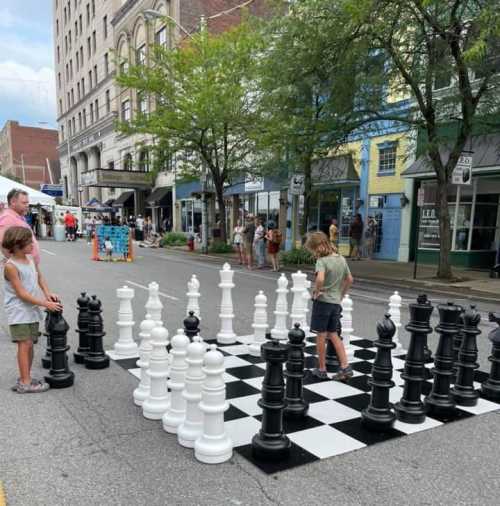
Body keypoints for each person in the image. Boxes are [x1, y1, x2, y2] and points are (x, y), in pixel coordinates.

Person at [2, 226, 63, 393]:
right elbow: (21, 294)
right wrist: (46, 304)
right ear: (17, 245)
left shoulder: (30, 260)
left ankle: (25, 376)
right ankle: (25, 382)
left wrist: (48, 293)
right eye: (29, 242)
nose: (33, 245)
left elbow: (39, 277)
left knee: (30, 344)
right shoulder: (11, 266)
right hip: (19, 311)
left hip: (31, 309)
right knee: (24, 344)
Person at [305, 231, 354, 381]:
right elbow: (350, 279)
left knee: (320, 335)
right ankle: (345, 366)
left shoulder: (322, 261)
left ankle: (321, 369)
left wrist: (317, 291)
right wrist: (340, 295)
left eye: (313, 249)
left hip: (323, 302)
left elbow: (320, 279)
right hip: (335, 303)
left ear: (318, 246)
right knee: (333, 334)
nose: (313, 252)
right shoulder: (341, 258)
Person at [0, 189, 41, 265]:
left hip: (27, 267)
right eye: (24, 203)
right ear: (13, 202)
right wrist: (18, 264)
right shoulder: (8, 218)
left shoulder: (18, 217)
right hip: (20, 269)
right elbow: (3, 243)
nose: (27, 205)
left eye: (27, 202)